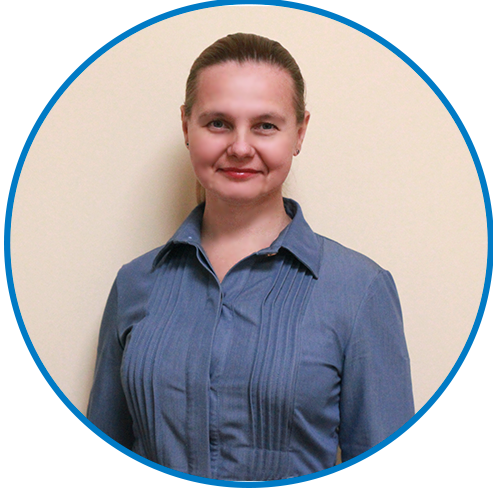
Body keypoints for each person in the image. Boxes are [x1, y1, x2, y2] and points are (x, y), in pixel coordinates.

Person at [66, 33, 415, 481]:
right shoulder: (136, 283)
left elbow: (384, 474)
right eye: (218, 123)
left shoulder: (359, 290)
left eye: (265, 125)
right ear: (186, 126)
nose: (241, 147)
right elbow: (99, 459)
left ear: (299, 132)